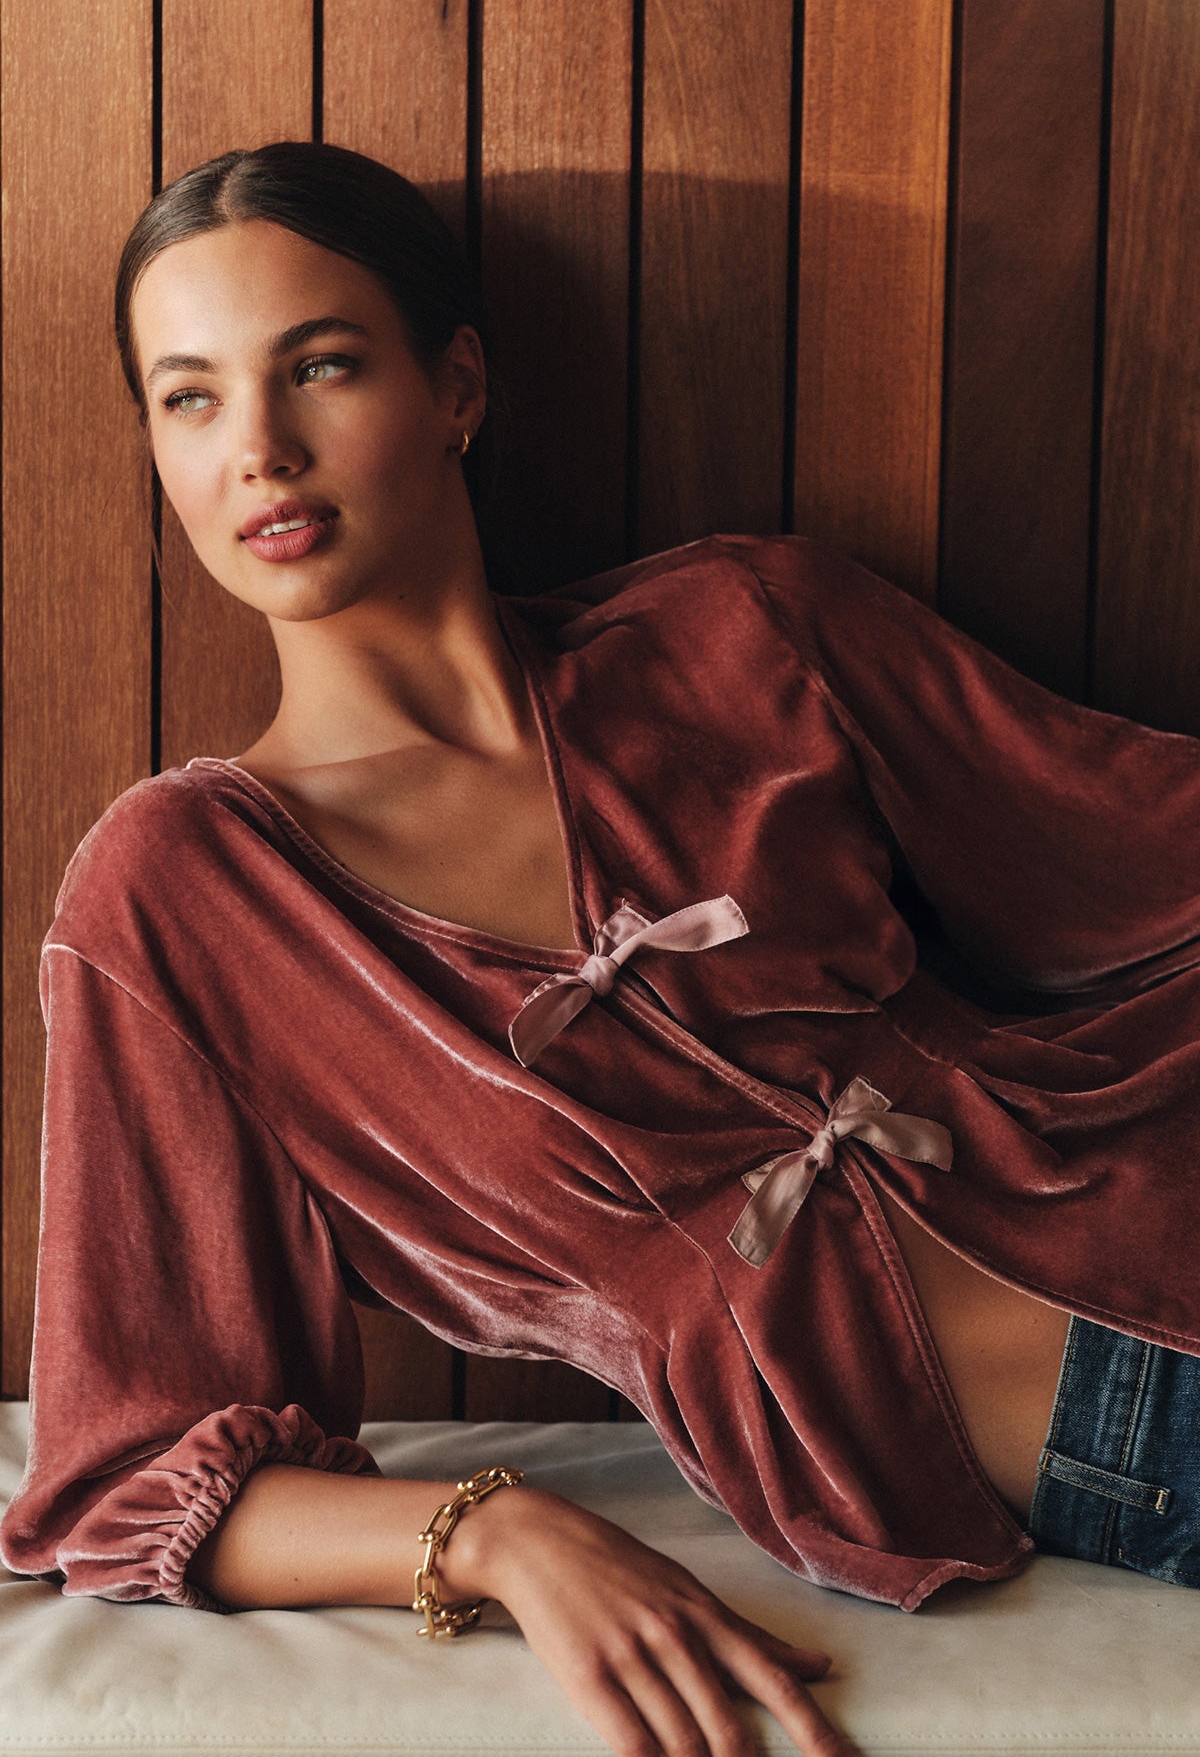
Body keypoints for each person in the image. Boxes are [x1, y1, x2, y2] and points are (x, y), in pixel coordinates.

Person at [2, 140, 1197, 1757]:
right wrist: (492, 1532)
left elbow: (1146, 841)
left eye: (324, 365)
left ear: (460, 387)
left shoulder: (746, 631)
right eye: (191, 397)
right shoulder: (183, 892)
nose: (262, 452)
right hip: (1125, 1429)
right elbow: (123, 1474)